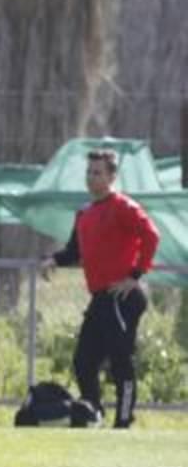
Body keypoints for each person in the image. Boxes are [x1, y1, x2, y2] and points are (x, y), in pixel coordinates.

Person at [40, 149, 160, 429]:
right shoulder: (84, 212)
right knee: (83, 361)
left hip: (121, 296)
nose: (92, 178)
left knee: (120, 360)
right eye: (89, 172)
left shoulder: (122, 206)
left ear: (111, 177)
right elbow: (74, 251)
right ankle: (93, 413)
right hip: (101, 298)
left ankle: (124, 420)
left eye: (98, 173)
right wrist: (53, 259)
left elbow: (151, 236)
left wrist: (135, 275)